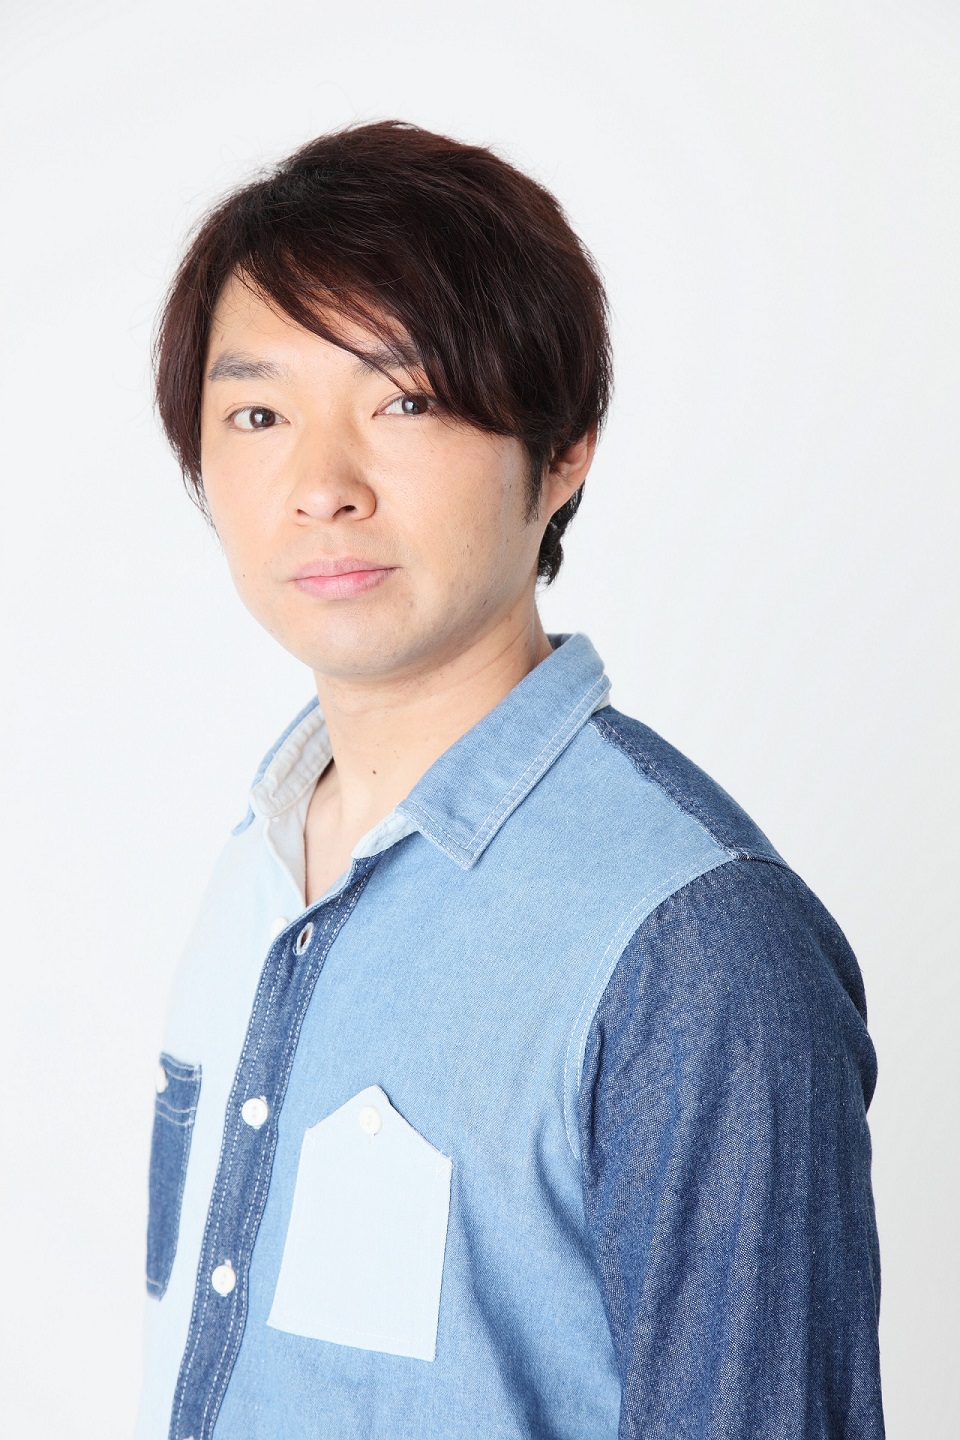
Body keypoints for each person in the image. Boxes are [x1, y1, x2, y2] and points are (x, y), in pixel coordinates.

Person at [137, 119, 885, 1440]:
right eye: (258, 413)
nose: (321, 486)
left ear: (564, 446)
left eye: (404, 402)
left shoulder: (694, 944)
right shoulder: (254, 860)